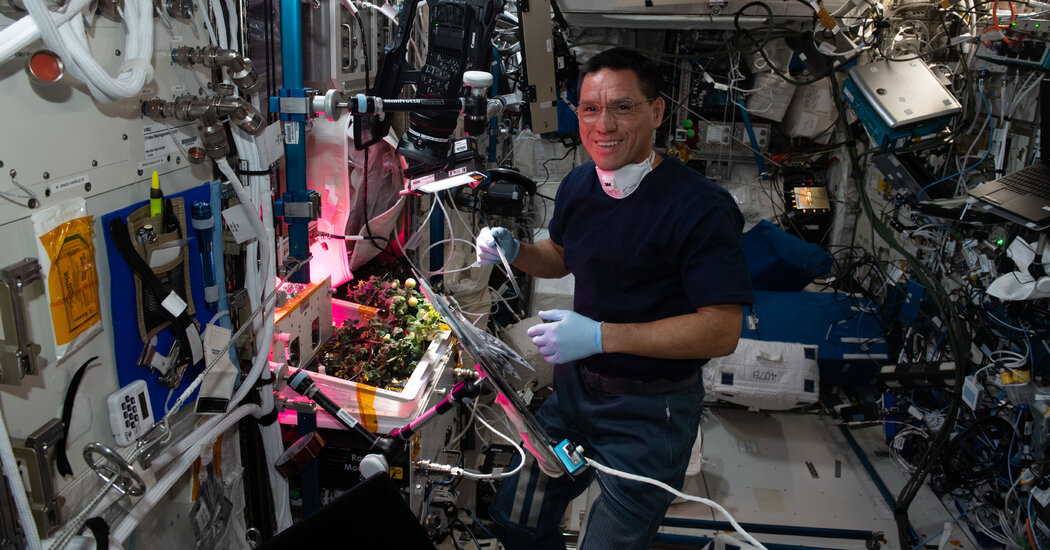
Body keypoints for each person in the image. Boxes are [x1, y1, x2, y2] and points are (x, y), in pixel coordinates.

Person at [475, 47, 754, 550]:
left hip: (651, 412)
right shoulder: (581, 184)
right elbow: (560, 255)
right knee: (517, 515)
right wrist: (514, 251)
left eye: (622, 106)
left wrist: (601, 336)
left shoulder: (701, 208)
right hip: (575, 395)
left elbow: (721, 328)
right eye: (590, 108)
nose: (603, 124)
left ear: (657, 111)